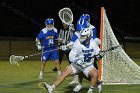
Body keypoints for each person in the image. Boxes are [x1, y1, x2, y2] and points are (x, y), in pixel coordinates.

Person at [44, 28, 101, 93]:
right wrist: (76, 60)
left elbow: (98, 54)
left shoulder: (93, 43)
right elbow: (71, 56)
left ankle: (90, 90)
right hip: (77, 64)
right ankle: (52, 88)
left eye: (83, 36)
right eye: (81, 36)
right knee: (65, 72)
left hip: (87, 65)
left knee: (95, 74)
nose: (81, 37)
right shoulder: (77, 43)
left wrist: (100, 55)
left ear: (89, 36)